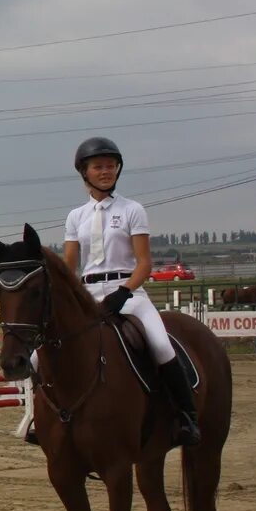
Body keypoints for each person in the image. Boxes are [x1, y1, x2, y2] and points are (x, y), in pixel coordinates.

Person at [64, 137, 200, 446]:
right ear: (84, 172)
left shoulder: (131, 210)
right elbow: (70, 266)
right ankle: (43, 418)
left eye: (111, 166)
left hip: (128, 294)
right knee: (38, 355)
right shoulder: (76, 217)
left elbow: (144, 263)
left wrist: (125, 292)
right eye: (98, 167)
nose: (106, 171)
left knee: (161, 346)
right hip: (89, 295)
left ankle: (186, 417)